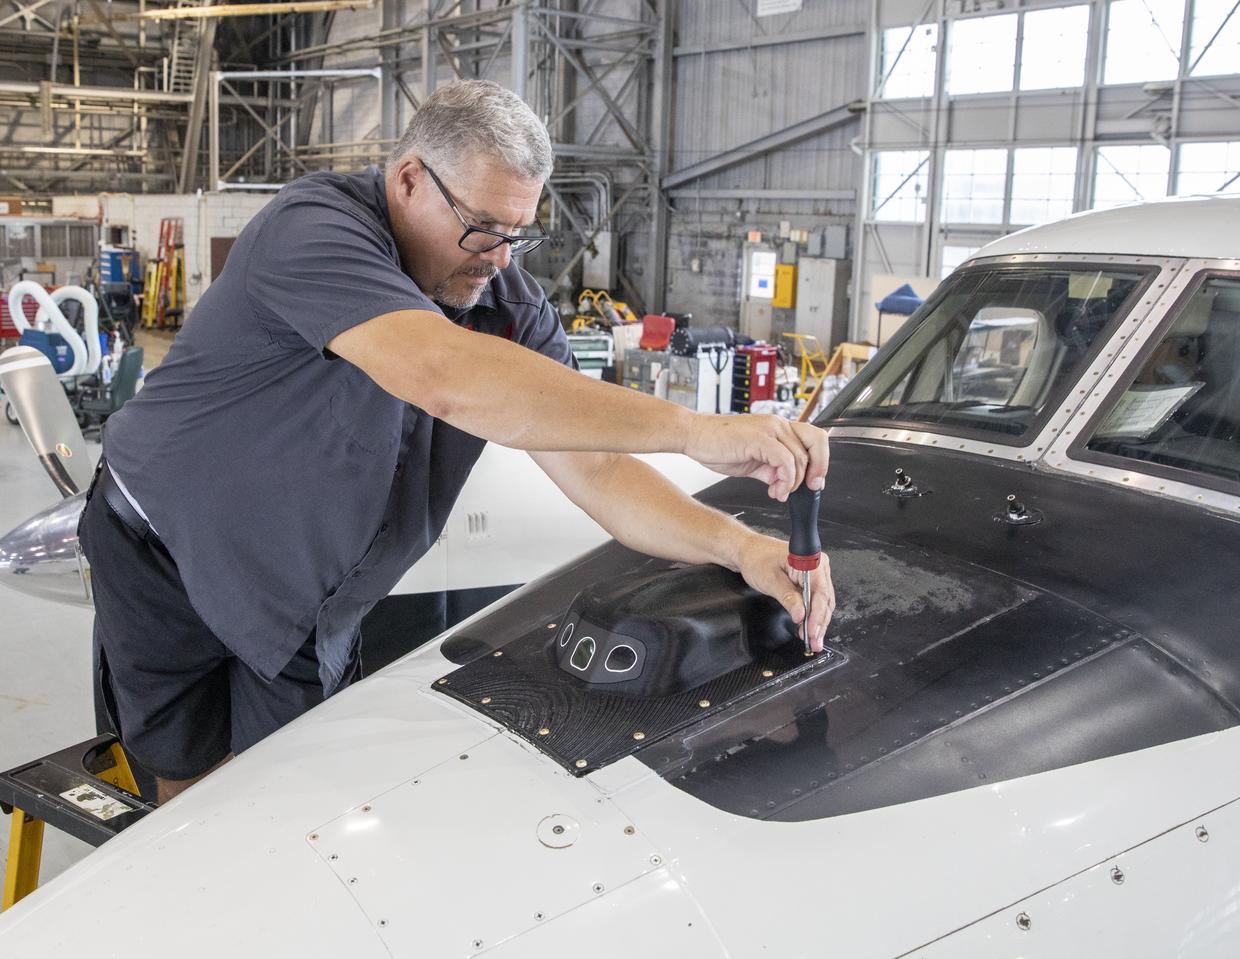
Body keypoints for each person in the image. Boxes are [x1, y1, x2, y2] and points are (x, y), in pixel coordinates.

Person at [78, 79, 835, 805]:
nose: (500, 257)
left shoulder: (506, 302)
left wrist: (741, 547)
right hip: (166, 553)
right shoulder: (314, 228)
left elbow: (598, 468)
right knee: (192, 794)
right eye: (481, 227)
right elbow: (442, 373)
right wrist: (696, 432)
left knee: (284, 800)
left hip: (301, 602)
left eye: (517, 233)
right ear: (409, 179)